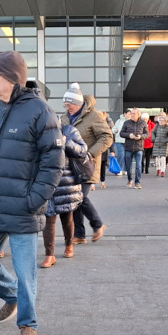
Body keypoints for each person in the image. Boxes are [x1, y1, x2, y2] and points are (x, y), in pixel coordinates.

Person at [0, 51, 63, 335]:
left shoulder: (40, 111)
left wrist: (34, 199)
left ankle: (28, 325)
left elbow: (53, 162)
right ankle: (13, 296)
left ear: (11, 78)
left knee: (26, 274)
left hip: (23, 208)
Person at [63, 84, 111, 245]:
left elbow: (107, 137)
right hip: (70, 166)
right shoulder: (64, 118)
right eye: (65, 105)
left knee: (79, 196)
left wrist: (90, 154)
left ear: (77, 103)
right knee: (74, 198)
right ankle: (79, 234)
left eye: (69, 104)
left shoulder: (94, 116)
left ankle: (98, 224)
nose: (67, 108)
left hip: (87, 165)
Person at [41, 118, 88, 268]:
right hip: (46, 179)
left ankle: (69, 245)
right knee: (48, 217)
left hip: (66, 180)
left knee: (67, 217)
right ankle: (49, 255)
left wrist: (66, 143)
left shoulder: (69, 131)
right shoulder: (39, 132)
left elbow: (83, 150)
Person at [120, 108, 147, 188]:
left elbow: (147, 134)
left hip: (139, 147)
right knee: (128, 166)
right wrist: (129, 135)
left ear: (138, 115)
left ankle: (137, 182)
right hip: (128, 147)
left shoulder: (143, 123)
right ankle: (130, 179)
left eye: (134, 113)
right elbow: (121, 133)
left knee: (138, 166)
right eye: (131, 113)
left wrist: (141, 136)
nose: (132, 115)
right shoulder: (126, 123)